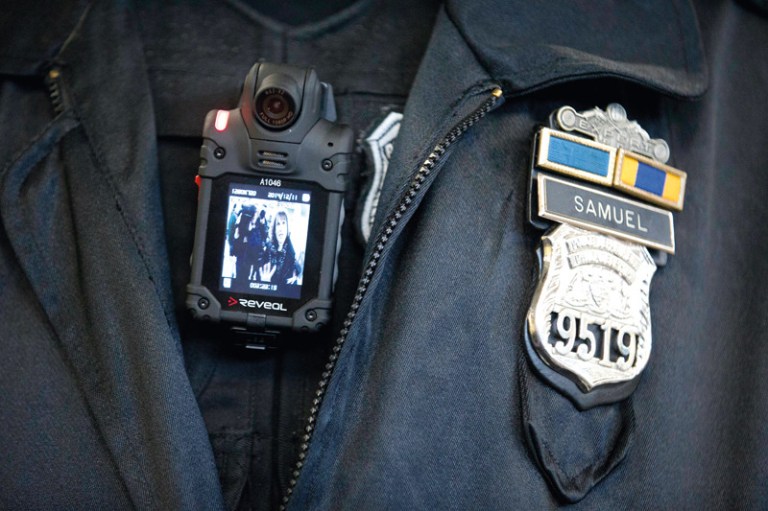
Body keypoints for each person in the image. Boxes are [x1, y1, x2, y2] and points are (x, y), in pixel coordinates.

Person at [259, 210, 302, 288]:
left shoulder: (292, 256)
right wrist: (265, 283)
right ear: (274, 229)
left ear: (287, 228)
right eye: (278, 224)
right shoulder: (266, 251)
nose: (281, 228)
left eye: (284, 223)